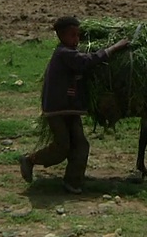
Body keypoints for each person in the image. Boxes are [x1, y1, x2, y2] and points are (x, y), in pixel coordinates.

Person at [19, 16, 129, 194]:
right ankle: (30, 160)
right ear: (61, 36)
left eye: (78, 35)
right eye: (72, 35)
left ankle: (73, 181)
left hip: (71, 108)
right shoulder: (64, 53)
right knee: (62, 146)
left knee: (81, 145)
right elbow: (86, 62)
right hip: (58, 109)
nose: (76, 39)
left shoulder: (69, 52)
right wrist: (113, 49)